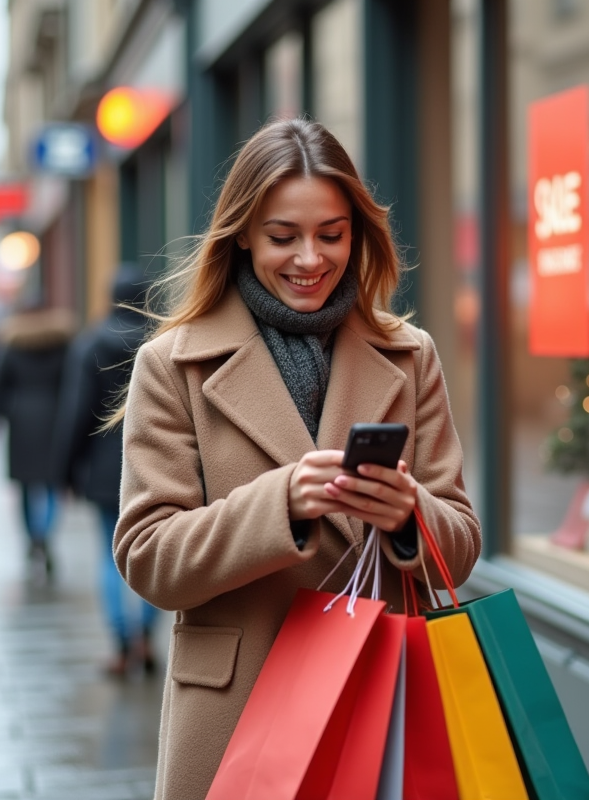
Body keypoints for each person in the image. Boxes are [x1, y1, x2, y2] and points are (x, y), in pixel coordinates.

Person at [112, 117, 481, 800]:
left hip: (379, 702)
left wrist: (408, 516)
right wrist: (278, 504)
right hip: (238, 712)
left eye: (331, 235)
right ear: (244, 233)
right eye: (283, 237)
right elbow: (148, 557)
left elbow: (459, 549)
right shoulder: (173, 364)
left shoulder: (410, 353)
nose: (310, 258)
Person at [52, 265, 159, 676]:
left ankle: (120, 642)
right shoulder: (162, 337)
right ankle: (145, 635)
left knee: (109, 556)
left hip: (102, 470)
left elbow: (76, 413)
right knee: (154, 551)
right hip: (156, 464)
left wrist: (64, 471)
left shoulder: (90, 343)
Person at [0, 298, 76, 583]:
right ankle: (44, 533)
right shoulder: (62, 343)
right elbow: (73, 383)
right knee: (52, 485)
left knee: (24, 488)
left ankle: (32, 538)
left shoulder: (11, 344)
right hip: (54, 420)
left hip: (21, 422)